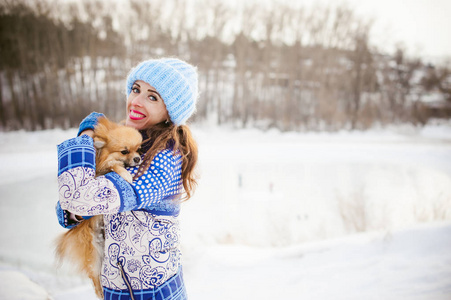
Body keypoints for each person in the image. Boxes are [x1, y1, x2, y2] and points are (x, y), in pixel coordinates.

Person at [56, 58, 199, 300]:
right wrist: (74, 210)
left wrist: (86, 133)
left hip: (151, 294)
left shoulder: (165, 160)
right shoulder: (126, 143)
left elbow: (78, 199)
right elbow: (68, 212)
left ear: (170, 113)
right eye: (136, 89)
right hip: (119, 290)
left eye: (152, 97)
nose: (136, 101)